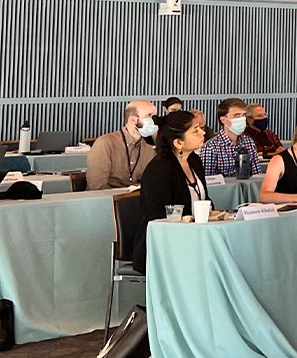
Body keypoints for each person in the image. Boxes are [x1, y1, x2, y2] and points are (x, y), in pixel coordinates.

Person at [134, 110, 207, 274]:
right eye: (195, 130)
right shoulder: (159, 169)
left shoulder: (194, 161)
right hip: (163, 246)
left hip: (194, 237)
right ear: (178, 143)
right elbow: (160, 216)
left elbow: (205, 200)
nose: (203, 132)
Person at [87, 99, 158, 189]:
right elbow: (97, 186)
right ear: (133, 120)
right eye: (149, 116)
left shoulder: (149, 149)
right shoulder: (105, 143)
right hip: (107, 200)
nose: (155, 120)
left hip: (135, 199)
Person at [198, 97, 265, 179]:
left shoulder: (249, 142)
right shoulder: (211, 147)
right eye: (237, 115)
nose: (241, 119)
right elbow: (208, 181)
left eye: (243, 115)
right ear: (223, 120)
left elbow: (256, 175)